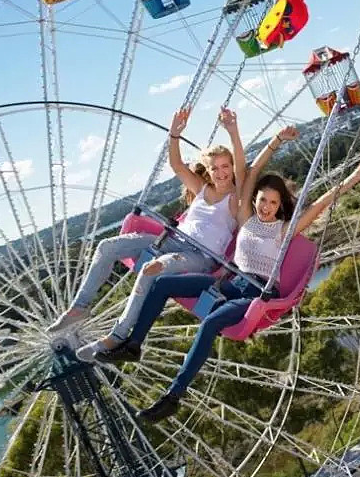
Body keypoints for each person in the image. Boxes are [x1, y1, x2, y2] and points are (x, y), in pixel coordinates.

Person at [96, 125, 360, 422]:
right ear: (254, 200)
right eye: (263, 200)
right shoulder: (245, 217)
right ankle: (133, 344)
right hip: (230, 282)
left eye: (273, 202)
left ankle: (173, 396)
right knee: (162, 284)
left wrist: (356, 176)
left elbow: (323, 203)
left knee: (210, 324)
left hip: (254, 293)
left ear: (280, 206)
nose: (267, 207)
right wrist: (263, 138)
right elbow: (250, 171)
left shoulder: (283, 230)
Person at [49, 107, 242, 351]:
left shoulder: (237, 199)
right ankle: (80, 307)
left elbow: (244, 170)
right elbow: (176, 165)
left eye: (226, 166)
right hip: (172, 241)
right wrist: (174, 135)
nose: (221, 173)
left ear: (232, 168)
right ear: (209, 170)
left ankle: (118, 335)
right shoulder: (202, 189)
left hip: (199, 257)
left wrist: (233, 132)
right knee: (106, 246)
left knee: (151, 269)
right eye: (215, 168)